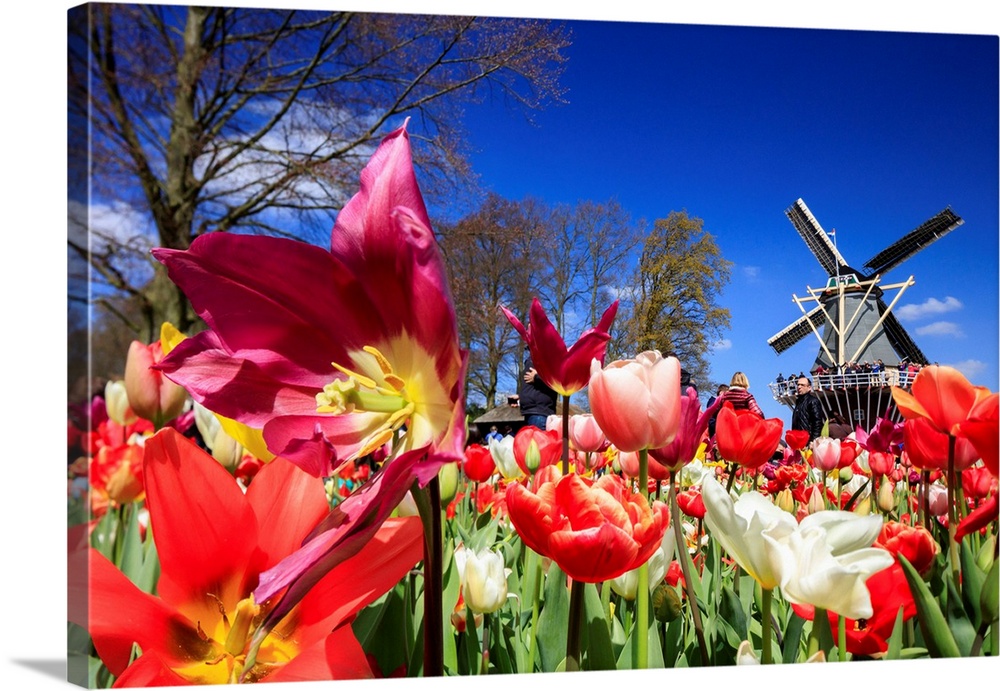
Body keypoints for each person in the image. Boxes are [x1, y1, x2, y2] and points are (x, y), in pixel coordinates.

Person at [515, 357, 557, 429]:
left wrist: (537, 377)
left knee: (538, 439)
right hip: (530, 411)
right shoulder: (531, 359)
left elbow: (557, 378)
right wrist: (520, 398)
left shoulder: (548, 357)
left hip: (540, 412)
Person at [791, 376, 825, 442]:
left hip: (808, 441)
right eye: (798, 385)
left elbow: (817, 422)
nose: (799, 387)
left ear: (809, 387)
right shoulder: (798, 403)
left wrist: (813, 441)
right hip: (798, 441)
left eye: (802, 385)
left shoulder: (813, 401)